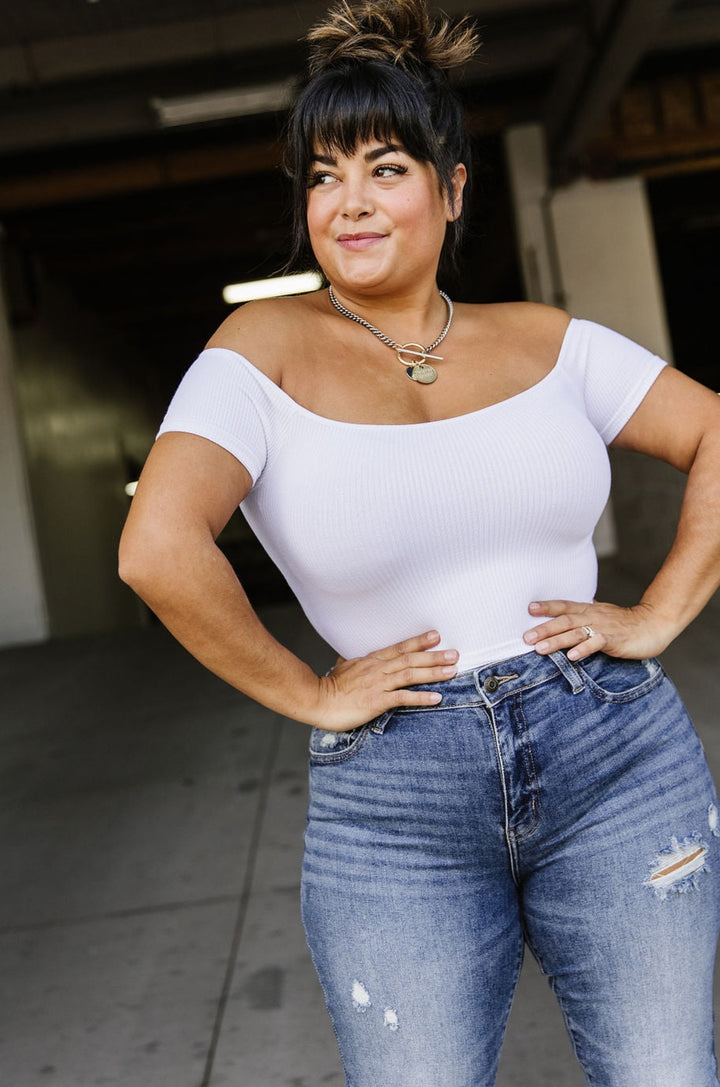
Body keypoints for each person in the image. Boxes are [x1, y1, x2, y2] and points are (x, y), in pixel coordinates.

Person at [119, 1, 720, 1083]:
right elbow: (158, 547)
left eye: (383, 167)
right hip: (398, 798)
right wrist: (311, 692)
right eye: (319, 175)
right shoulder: (262, 349)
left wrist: (668, 602)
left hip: (616, 755)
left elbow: (717, 428)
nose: (345, 202)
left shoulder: (547, 340)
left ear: (451, 187)